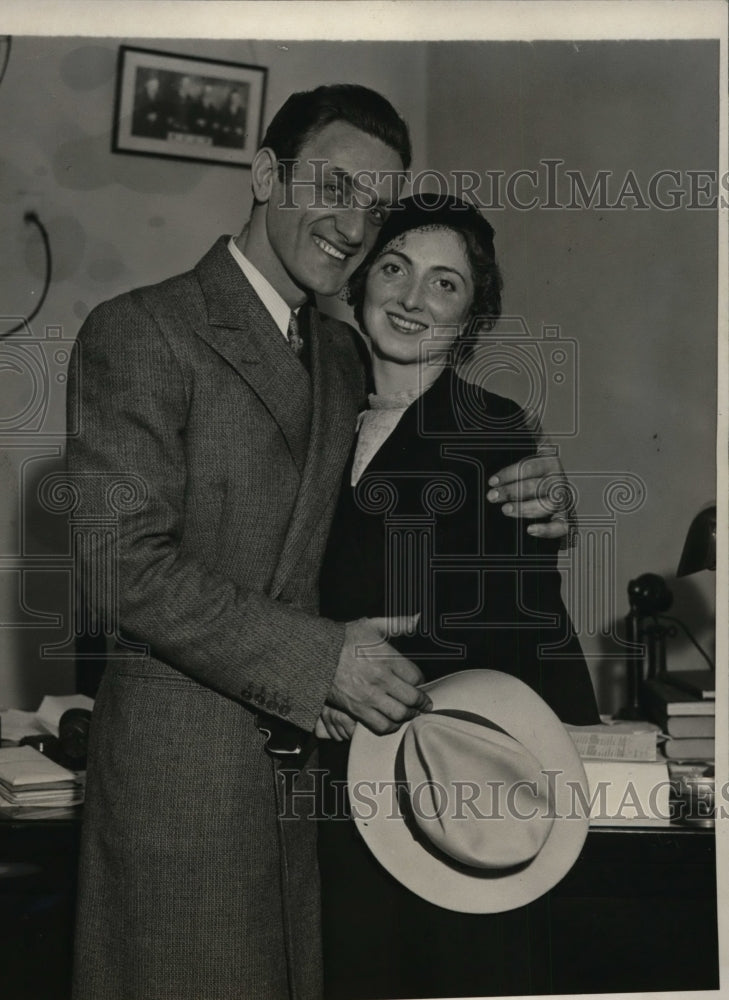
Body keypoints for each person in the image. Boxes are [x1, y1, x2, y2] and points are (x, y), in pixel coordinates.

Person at [68, 85, 573, 1000]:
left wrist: (541, 487)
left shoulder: (340, 357)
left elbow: (429, 438)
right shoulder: (141, 331)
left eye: (370, 206)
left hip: (326, 802)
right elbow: (118, 562)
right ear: (264, 174)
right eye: (332, 188)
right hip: (186, 790)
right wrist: (320, 660)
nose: (350, 225)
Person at [316, 194, 600, 1000]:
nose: (410, 298)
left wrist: (357, 645)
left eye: (445, 285)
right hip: (333, 771)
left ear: (471, 317)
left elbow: (512, 620)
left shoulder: (491, 428)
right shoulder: (318, 415)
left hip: (442, 779)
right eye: (397, 268)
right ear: (362, 275)